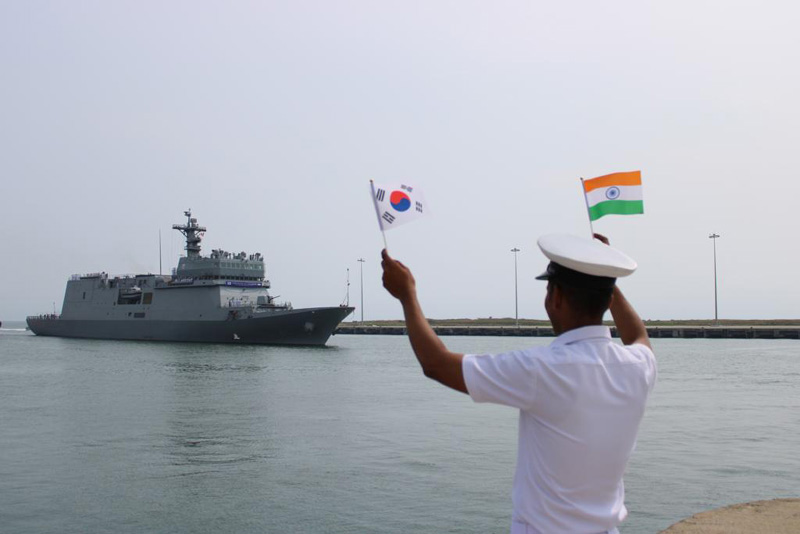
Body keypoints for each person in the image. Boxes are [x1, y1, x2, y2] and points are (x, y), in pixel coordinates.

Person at [380, 233, 656, 534]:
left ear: (555, 297)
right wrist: (603, 272)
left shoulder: (542, 369)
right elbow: (638, 336)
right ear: (609, 300)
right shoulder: (638, 365)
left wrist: (407, 296)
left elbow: (436, 364)